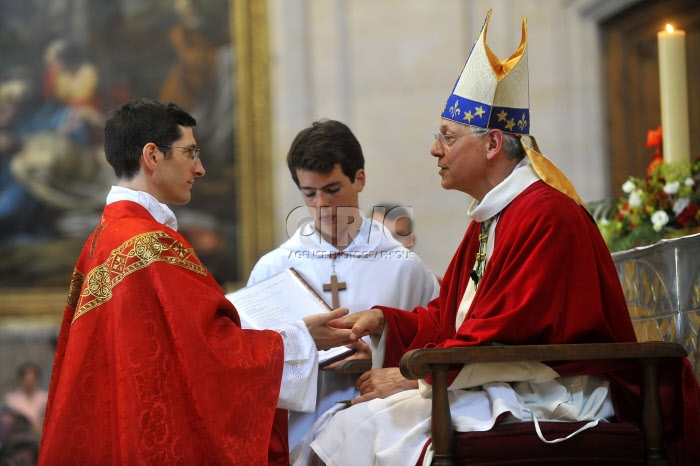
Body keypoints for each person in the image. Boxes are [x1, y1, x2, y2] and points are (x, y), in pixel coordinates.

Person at [308, 10, 700, 466]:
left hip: (555, 391)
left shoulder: (546, 216)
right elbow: (454, 317)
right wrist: (385, 320)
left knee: (365, 429)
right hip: (498, 379)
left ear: (493, 144)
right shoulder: (492, 216)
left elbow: (504, 334)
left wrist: (412, 377)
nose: (435, 149)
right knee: (339, 427)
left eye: (448, 137)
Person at [38, 98, 353, 465]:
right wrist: (301, 337)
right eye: (190, 153)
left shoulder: (102, 240)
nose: (200, 168)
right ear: (152, 156)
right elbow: (211, 355)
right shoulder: (151, 245)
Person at [247, 119, 439, 461]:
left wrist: (378, 354)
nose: (321, 204)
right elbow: (249, 362)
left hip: (385, 433)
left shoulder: (403, 267)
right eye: (309, 193)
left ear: (359, 179)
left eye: (332, 189)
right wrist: (305, 351)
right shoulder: (274, 270)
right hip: (296, 433)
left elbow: (435, 347)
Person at [3, 363, 47, 434]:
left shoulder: (45, 398)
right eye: (27, 380)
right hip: (20, 437)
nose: (29, 383)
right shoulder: (11, 400)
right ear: (21, 380)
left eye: (32, 380)